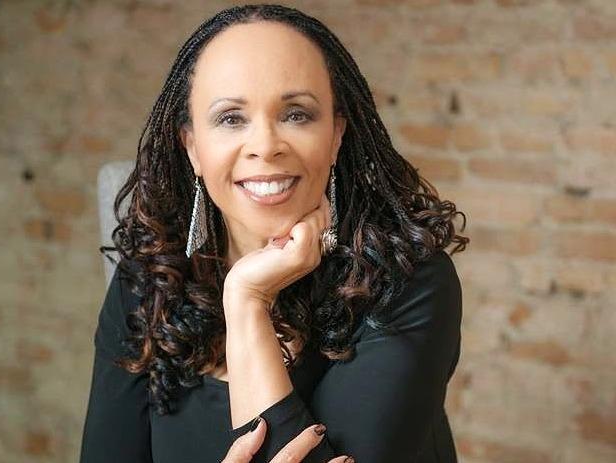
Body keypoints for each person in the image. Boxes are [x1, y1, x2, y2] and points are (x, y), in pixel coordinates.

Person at [79, 3, 469, 463]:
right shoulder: (147, 283)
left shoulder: (408, 283)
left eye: (297, 114)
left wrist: (246, 301)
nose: (265, 146)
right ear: (193, 148)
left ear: (336, 133)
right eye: (230, 118)